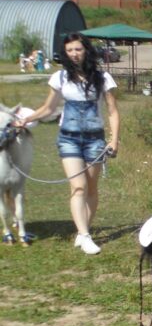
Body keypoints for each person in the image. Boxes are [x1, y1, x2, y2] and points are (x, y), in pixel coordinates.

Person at [18, 33, 120, 255]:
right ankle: (84, 235)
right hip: (69, 139)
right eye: (70, 50)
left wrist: (113, 140)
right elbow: (48, 108)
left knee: (92, 188)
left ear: (86, 50)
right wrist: (27, 118)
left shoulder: (103, 78)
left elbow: (112, 111)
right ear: (65, 53)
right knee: (78, 186)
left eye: (78, 49)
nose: (74, 54)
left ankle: (84, 230)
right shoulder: (60, 78)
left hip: (95, 139)